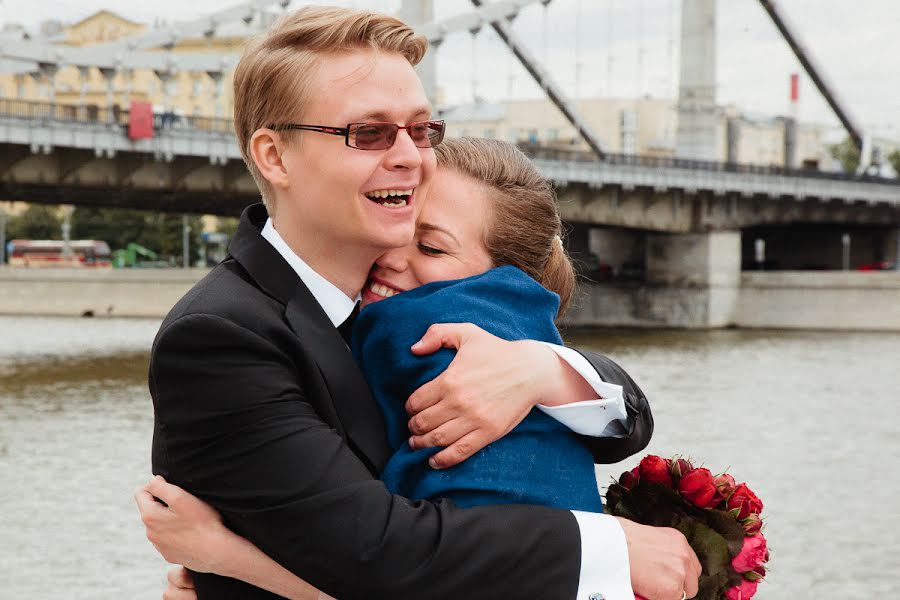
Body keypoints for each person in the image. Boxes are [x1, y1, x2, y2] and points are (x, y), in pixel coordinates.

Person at [135, 6, 699, 600]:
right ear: (275, 157)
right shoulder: (220, 337)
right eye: (370, 133)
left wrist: (541, 370)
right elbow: (377, 552)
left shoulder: (408, 307)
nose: (409, 155)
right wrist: (613, 548)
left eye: (422, 129)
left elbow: (623, 423)